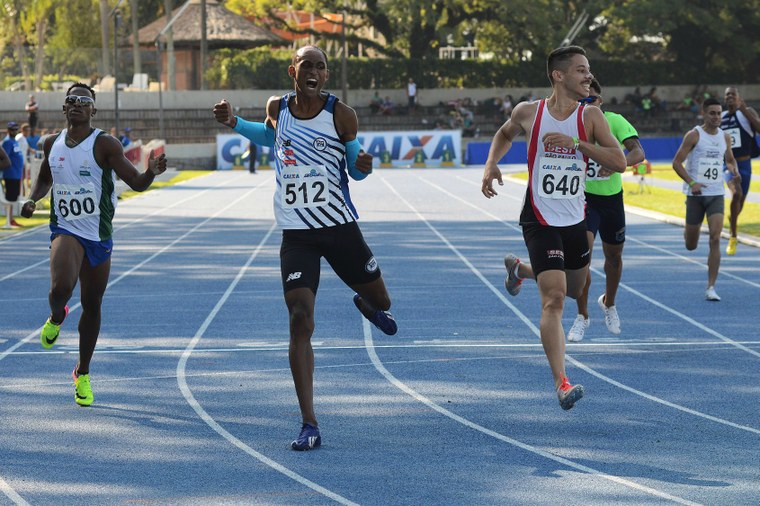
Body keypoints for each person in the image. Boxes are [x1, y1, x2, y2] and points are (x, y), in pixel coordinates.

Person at [212, 45, 397, 451]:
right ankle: (309, 421)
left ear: (326, 76)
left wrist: (363, 168)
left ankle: (366, 304)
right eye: (306, 65)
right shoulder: (278, 107)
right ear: (292, 70)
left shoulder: (341, 115)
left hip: (339, 228)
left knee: (382, 300)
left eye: (321, 66)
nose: (313, 71)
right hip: (296, 233)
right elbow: (268, 135)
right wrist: (235, 122)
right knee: (300, 318)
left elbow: (354, 169)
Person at [481, 46, 626, 410]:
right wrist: (490, 164)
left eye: (589, 70)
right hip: (539, 217)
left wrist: (578, 144)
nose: (588, 77)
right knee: (556, 298)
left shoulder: (591, 116)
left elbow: (620, 161)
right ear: (558, 75)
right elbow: (504, 134)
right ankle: (562, 382)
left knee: (576, 287)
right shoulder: (529, 112)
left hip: (575, 218)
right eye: (581, 70)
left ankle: (521, 269)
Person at [20, 82, 167, 406]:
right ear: (64, 108)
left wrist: (151, 171)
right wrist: (33, 199)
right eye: (71, 100)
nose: (76, 104)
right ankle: (57, 317)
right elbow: (45, 177)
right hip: (66, 228)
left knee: (93, 304)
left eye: (83, 101)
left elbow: (138, 183)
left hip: (98, 235)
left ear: (93, 110)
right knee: (60, 289)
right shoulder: (51, 143)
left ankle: (82, 372)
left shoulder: (105, 145)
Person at [566, 79, 646, 342]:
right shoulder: (570, 121)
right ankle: (582, 315)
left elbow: (638, 152)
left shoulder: (614, 120)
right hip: (583, 199)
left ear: (601, 101)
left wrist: (616, 163)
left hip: (611, 199)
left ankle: (609, 303)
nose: (587, 105)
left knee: (613, 258)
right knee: (582, 258)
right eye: (582, 100)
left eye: (592, 100)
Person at [672, 97, 739, 301]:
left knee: (715, 237)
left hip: (715, 194)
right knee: (691, 244)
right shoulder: (694, 135)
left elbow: (729, 159)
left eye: (719, 113)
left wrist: (733, 170)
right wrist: (692, 183)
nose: (716, 117)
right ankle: (690, 233)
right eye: (712, 113)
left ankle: (711, 287)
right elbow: (676, 163)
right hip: (695, 196)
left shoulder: (725, 137)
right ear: (703, 113)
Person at [720, 86, 760, 255]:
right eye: (727, 94)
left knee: (739, 203)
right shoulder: (720, 117)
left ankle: (733, 219)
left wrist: (743, 109)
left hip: (745, 165)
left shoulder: (746, 112)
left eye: (733, 94)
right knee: (735, 193)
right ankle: (733, 236)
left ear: (738, 97)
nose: (729, 97)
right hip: (729, 164)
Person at [2, 122, 24, 226]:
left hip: (16, 174)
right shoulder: (7, 142)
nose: (14, 131)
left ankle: (11, 219)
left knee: (13, 197)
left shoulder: (15, 141)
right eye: (12, 129)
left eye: (16, 129)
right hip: (10, 174)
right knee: (9, 198)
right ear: (8, 130)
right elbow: (3, 157)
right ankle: (9, 220)